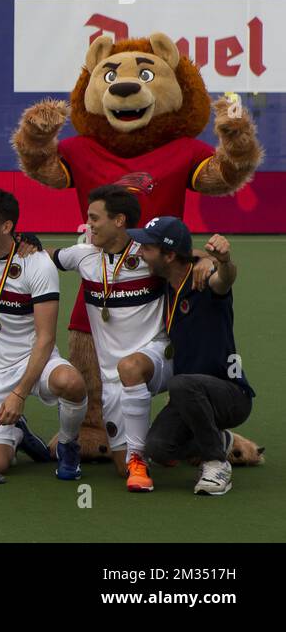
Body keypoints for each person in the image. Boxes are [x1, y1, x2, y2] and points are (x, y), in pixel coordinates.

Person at [50, 186, 172, 490]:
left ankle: (141, 459)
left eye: (94, 218)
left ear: (119, 221)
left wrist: (208, 261)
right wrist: (21, 246)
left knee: (130, 367)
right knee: (121, 468)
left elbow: (187, 258)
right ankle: (169, 446)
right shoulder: (83, 257)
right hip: (113, 377)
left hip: (156, 358)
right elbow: (45, 258)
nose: (87, 225)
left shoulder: (148, 254)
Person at [0, 189, 88, 478]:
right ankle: (18, 434)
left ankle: (68, 445)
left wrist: (19, 394)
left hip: (34, 358)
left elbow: (46, 338)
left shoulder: (37, 263)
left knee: (71, 382)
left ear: (7, 227)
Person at [134, 218, 253, 496]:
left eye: (147, 248)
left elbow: (225, 279)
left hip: (231, 394)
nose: (140, 253)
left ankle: (217, 463)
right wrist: (205, 255)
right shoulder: (166, 283)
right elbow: (192, 254)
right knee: (158, 448)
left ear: (170, 255)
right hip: (188, 396)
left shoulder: (206, 281)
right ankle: (220, 439)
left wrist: (221, 261)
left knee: (181, 384)